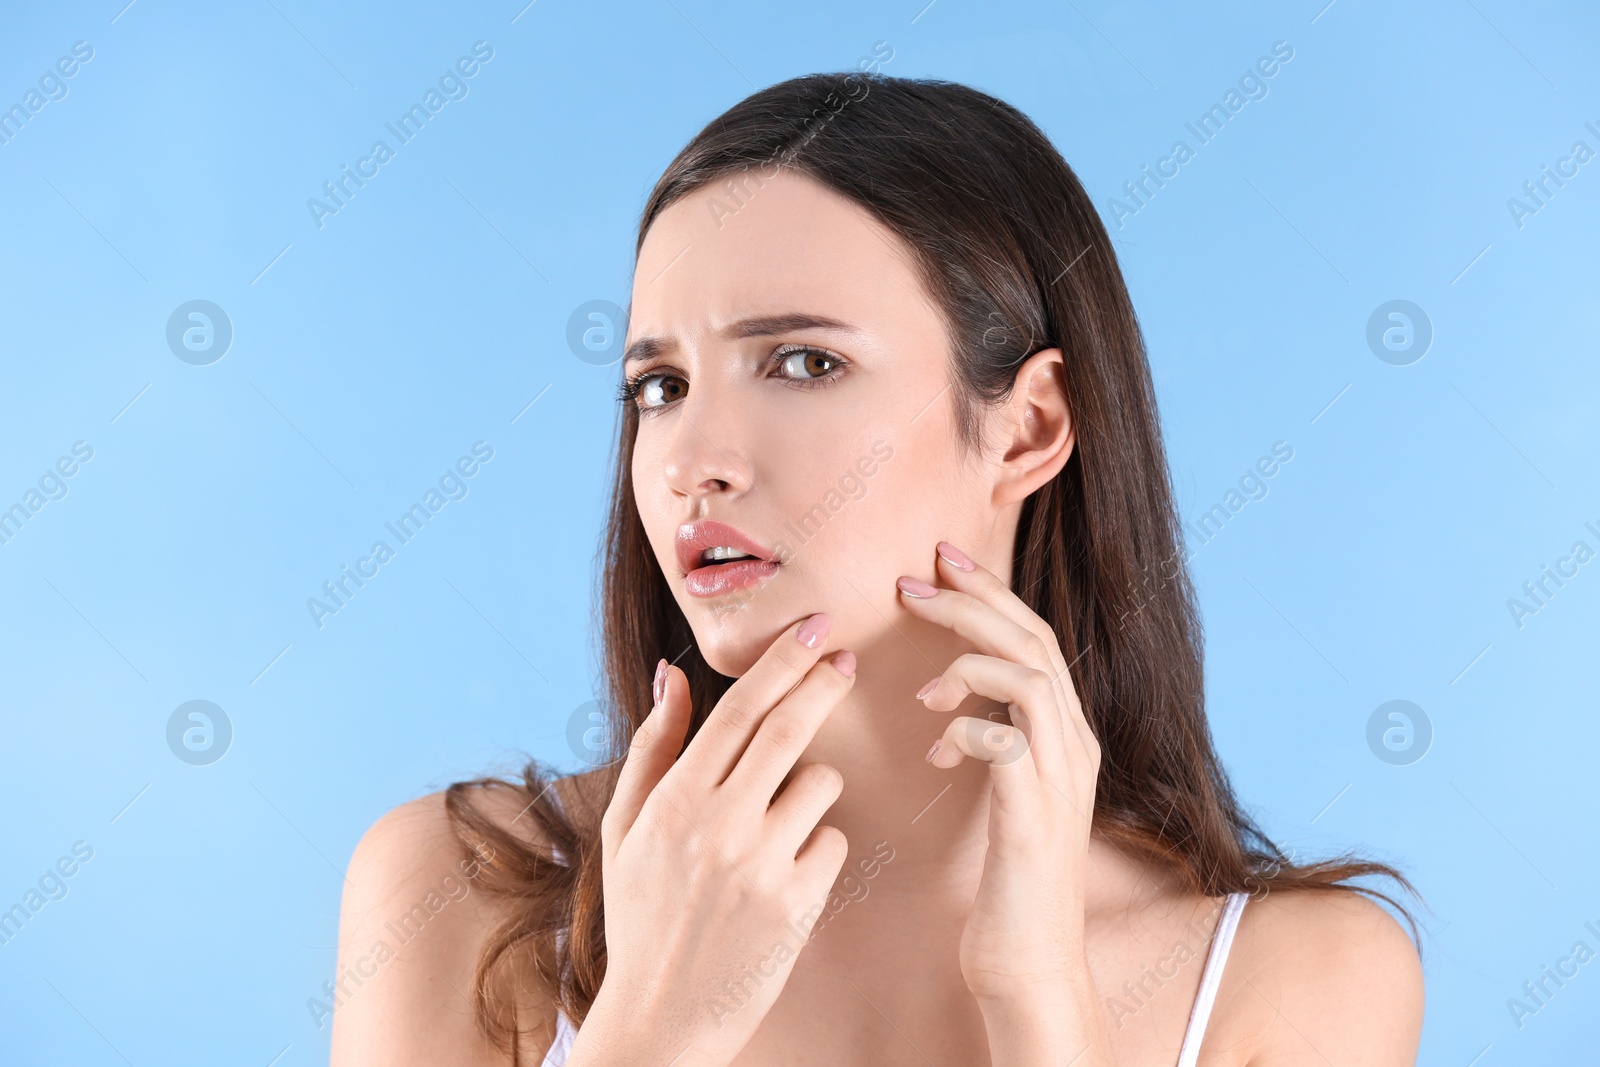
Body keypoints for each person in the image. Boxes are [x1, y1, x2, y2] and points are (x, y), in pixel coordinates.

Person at [329, 72, 1424, 1066]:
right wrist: (653, 1025)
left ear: (1030, 425)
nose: (693, 462)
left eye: (804, 361)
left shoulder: (1296, 977)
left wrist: (1039, 995)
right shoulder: (457, 891)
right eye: (659, 385)